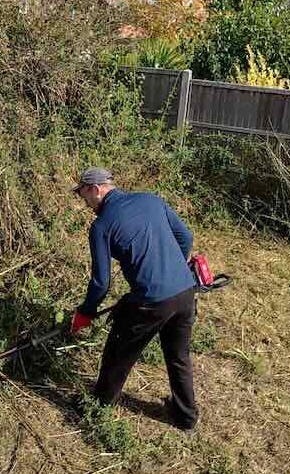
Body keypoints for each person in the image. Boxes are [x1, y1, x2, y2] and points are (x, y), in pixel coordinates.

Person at [69, 167, 200, 430]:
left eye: (84, 196)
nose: (85, 203)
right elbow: (185, 237)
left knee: (118, 352)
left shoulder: (101, 226)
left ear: (95, 189)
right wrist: (174, 268)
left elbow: (101, 282)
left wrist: (86, 312)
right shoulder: (150, 199)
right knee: (178, 356)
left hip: (152, 302)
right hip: (186, 290)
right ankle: (186, 418)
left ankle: (98, 408)